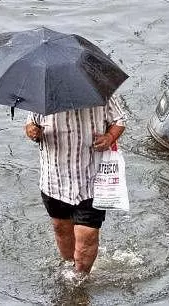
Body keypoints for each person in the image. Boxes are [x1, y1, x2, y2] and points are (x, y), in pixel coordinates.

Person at [24, 96, 126, 274]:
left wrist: (110, 137)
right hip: (54, 180)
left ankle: (81, 280)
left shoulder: (100, 89)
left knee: (87, 235)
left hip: (91, 179)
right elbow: (31, 125)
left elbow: (120, 120)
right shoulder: (43, 94)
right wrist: (33, 131)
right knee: (61, 229)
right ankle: (70, 271)